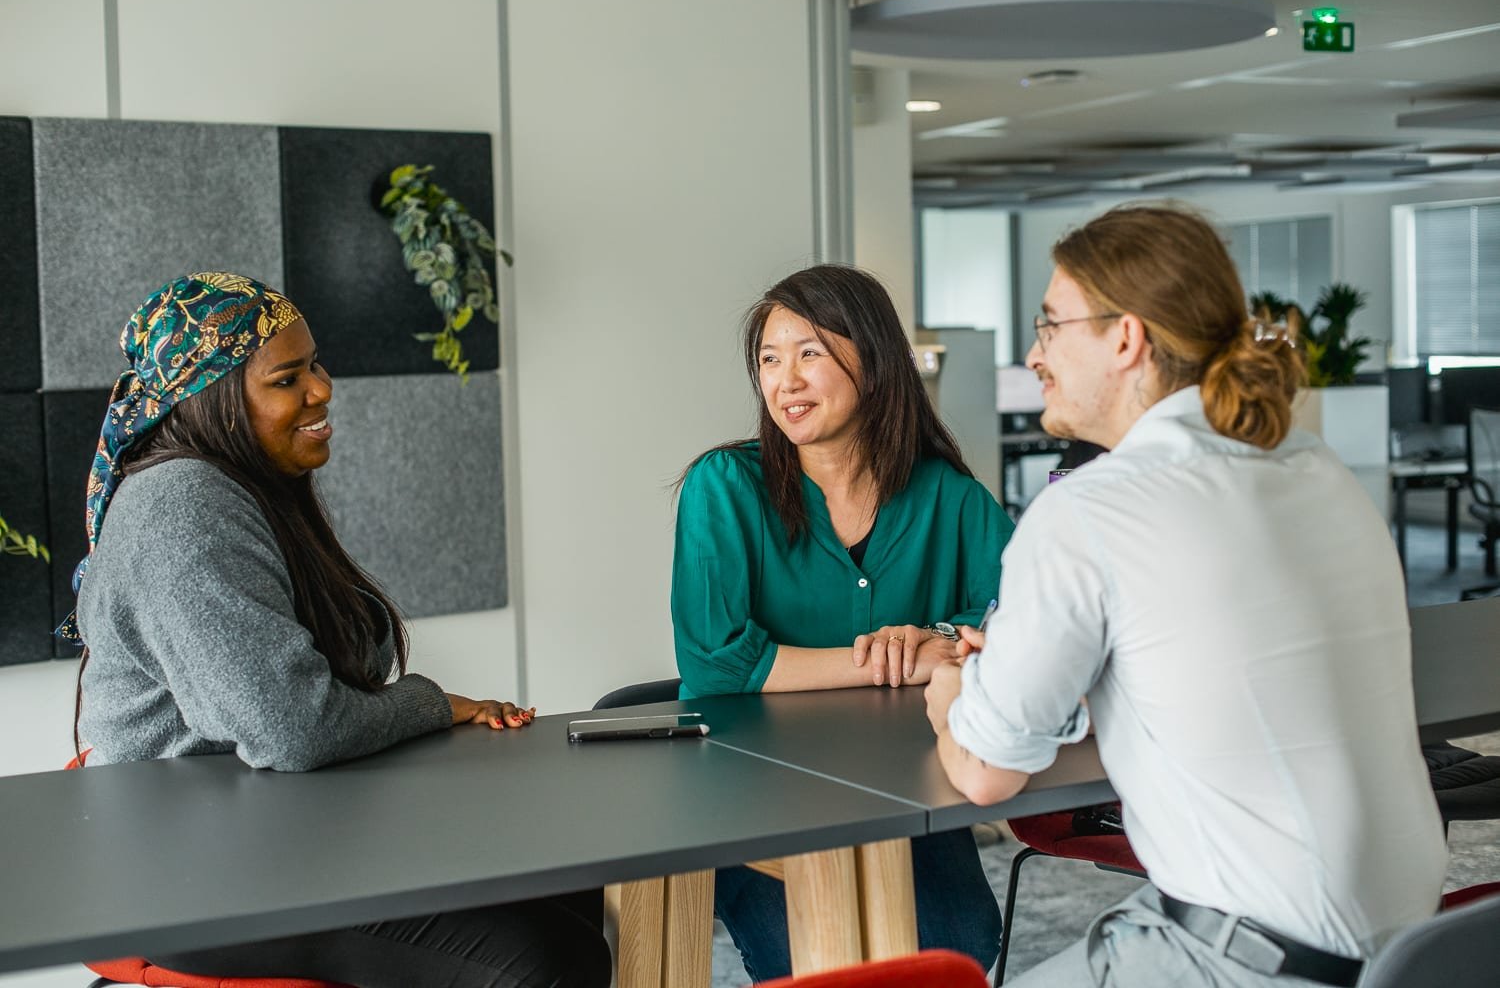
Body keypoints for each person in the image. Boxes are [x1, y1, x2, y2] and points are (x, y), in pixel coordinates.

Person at [925, 204, 1447, 988]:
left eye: (1050, 326)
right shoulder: (1315, 468)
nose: (1034, 354)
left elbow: (984, 776)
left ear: (1125, 338)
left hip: (1248, 963)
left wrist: (952, 694)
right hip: (1415, 947)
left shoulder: (1091, 508)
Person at [64, 273, 611, 988]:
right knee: (546, 960)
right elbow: (293, 728)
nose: (322, 390)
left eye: (315, 365)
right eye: (288, 378)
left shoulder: (245, 489)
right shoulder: (181, 509)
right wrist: (431, 704)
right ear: (215, 399)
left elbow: (348, 659)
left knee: (568, 885)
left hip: (284, 829)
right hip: (188, 875)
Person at [671, 263, 1013, 982]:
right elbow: (718, 664)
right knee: (817, 959)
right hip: (760, 800)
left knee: (961, 942)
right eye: (769, 359)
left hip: (907, 790)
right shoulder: (724, 488)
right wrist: (913, 658)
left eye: (809, 353)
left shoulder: (948, 496)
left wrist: (941, 639)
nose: (784, 380)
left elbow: (1016, 626)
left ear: (875, 360)